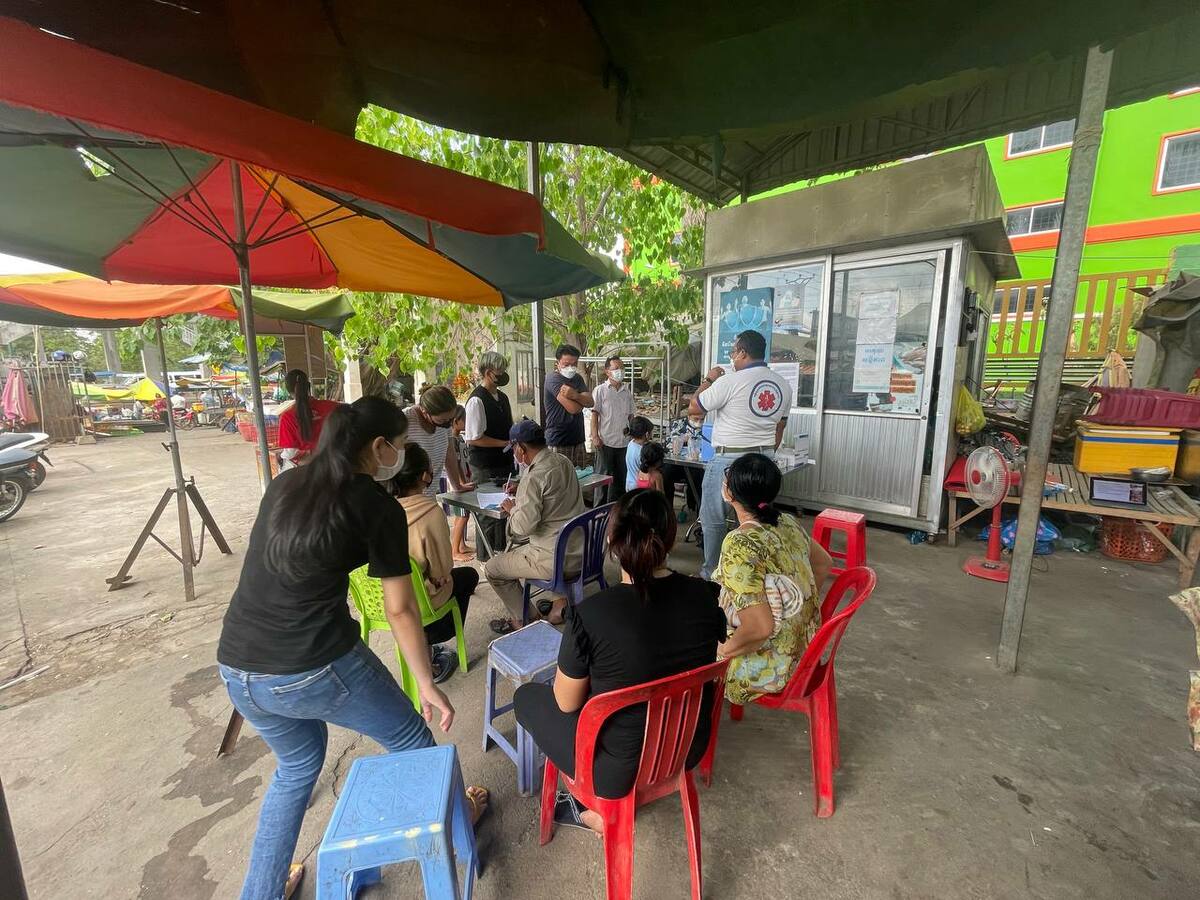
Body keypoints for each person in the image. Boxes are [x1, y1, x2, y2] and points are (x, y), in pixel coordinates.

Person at [216, 396, 487, 900]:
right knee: (414, 740)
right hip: (313, 663)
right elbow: (401, 610)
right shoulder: (376, 507)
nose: (400, 454)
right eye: (400, 444)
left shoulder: (285, 484)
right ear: (380, 447)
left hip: (237, 665)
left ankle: (261, 892)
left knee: (297, 768)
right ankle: (458, 822)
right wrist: (425, 682)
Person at [513, 489, 726, 831]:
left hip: (614, 772)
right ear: (671, 540)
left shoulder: (591, 614)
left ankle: (597, 813)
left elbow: (566, 704)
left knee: (527, 696)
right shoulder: (704, 595)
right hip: (686, 749)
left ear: (612, 542)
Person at [713, 453, 833, 706]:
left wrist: (721, 651)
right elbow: (823, 563)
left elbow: (760, 628)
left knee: (681, 641)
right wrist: (796, 609)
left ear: (730, 493)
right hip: (806, 652)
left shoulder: (740, 543)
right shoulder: (787, 522)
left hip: (772, 668)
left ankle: (692, 718)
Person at [688, 330, 793, 579]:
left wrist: (709, 378)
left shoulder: (729, 382)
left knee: (714, 519)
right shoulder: (782, 385)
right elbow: (780, 428)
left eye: (733, 352)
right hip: (764, 459)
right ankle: (752, 570)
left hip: (729, 460)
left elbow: (694, 407)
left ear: (743, 352)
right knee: (756, 517)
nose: (732, 357)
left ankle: (713, 574)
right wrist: (766, 454)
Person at [483, 420, 584, 634]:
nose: (514, 455)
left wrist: (512, 509)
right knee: (541, 539)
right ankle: (559, 604)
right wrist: (522, 488)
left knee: (493, 569)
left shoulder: (534, 477)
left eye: (514, 450)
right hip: (581, 551)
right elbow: (552, 490)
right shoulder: (563, 460)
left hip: (553, 560)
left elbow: (522, 528)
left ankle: (525, 618)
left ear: (521, 448)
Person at [393, 443, 478, 684]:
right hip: (421, 605)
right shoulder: (429, 512)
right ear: (424, 476)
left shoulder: (380, 511)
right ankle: (431, 639)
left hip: (385, 602)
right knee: (468, 576)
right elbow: (442, 570)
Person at [464, 352, 514, 561]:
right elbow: (474, 438)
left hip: (505, 462)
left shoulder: (503, 397)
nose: (502, 374)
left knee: (504, 510)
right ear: (487, 372)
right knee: (486, 513)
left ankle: (500, 555)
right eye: (499, 371)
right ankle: (485, 558)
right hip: (485, 465)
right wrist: (504, 443)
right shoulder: (477, 400)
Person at [402, 384, 472, 500]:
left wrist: (457, 485)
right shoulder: (405, 420)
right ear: (424, 411)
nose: (448, 423)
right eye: (442, 420)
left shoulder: (445, 424)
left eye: (450, 419)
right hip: (407, 500)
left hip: (430, 495)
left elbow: (449, 454)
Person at [590, 355, 635, 504]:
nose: (620, 371)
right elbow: (594, 415)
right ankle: (598, 510)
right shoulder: (600, 390)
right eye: (616, 368)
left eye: (622, 368)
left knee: (621, 479)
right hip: (606, 441)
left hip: (624, 442)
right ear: (607, 371)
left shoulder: (626, 392)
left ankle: (617, 510)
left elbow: (631, 416)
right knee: (602, 479)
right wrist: (595, 436)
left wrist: (634, 435)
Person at [277, 369, 341, 467]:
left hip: (310, 468)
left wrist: (281, 456)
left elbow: (290, 453)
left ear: (288, 390)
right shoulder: (333, 406)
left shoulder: (287, 417)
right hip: (337, 462)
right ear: (308, 386)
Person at [544, 343, 593, 467]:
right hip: (559, 440)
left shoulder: (577, 378)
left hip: (578, 438)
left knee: (580, 477)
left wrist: (575, 395)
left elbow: (591, 402)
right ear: (557, 363)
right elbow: (574, 409)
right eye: (566, 364)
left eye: (574, 364)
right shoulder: (553, 379)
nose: (571, 368)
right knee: (560, 477)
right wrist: (581, 400)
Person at [448, 405, 474, 561]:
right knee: (462, 516)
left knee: (464, 514)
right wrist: (462, 482)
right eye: (464, 419)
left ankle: (461, 545)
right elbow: (455, 464)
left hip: (465, 480)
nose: (467, 422)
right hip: (458, 485)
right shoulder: (452, 440)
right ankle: (454, 551)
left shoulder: (460, 438)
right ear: (455, 421)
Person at [623, 415, 654, 492]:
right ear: (647, 434)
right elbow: (648, 472)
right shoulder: (643, 451)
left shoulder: (631, 443)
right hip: (639, 487)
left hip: (629, 484)